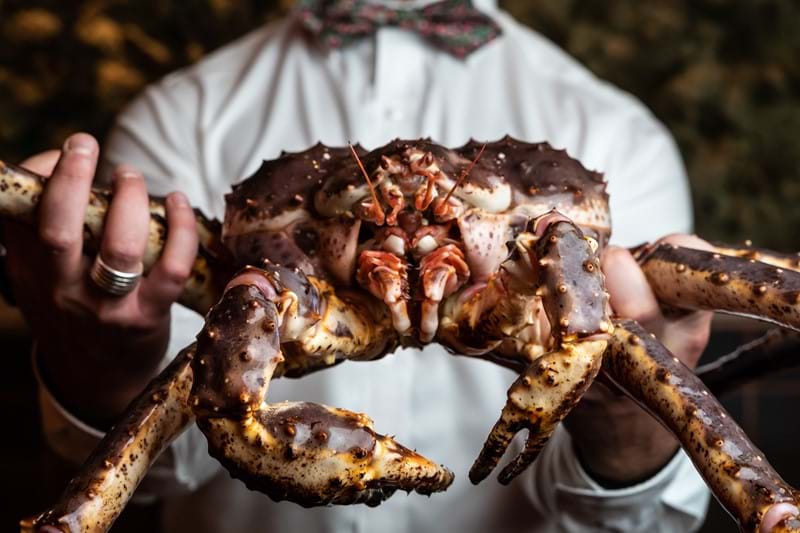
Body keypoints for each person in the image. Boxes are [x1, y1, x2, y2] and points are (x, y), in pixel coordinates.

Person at [4, 0, 724, 531]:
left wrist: (629, 424)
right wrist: (103, 365)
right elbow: (162, 469)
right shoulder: (179, 117)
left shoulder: (616, 133)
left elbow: (644, 522)